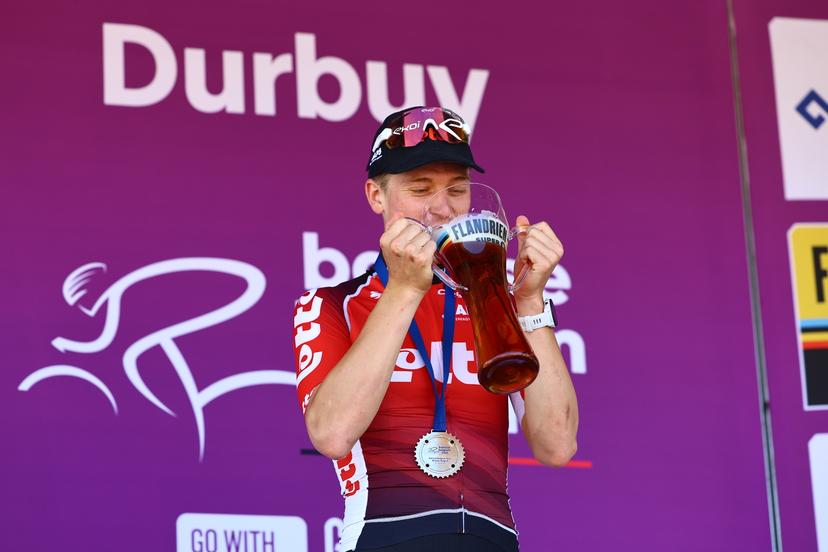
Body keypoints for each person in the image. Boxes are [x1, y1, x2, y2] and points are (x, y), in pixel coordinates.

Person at [292, 106, 578, 551]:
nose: (442, 208)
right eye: (420, 188)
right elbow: (331, 433)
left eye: (458, 189)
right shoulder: (331, 304)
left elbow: (557, 445)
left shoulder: (494, 302)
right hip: (382, 538)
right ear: (376, 195)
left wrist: (528, 302)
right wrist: (405, 289)